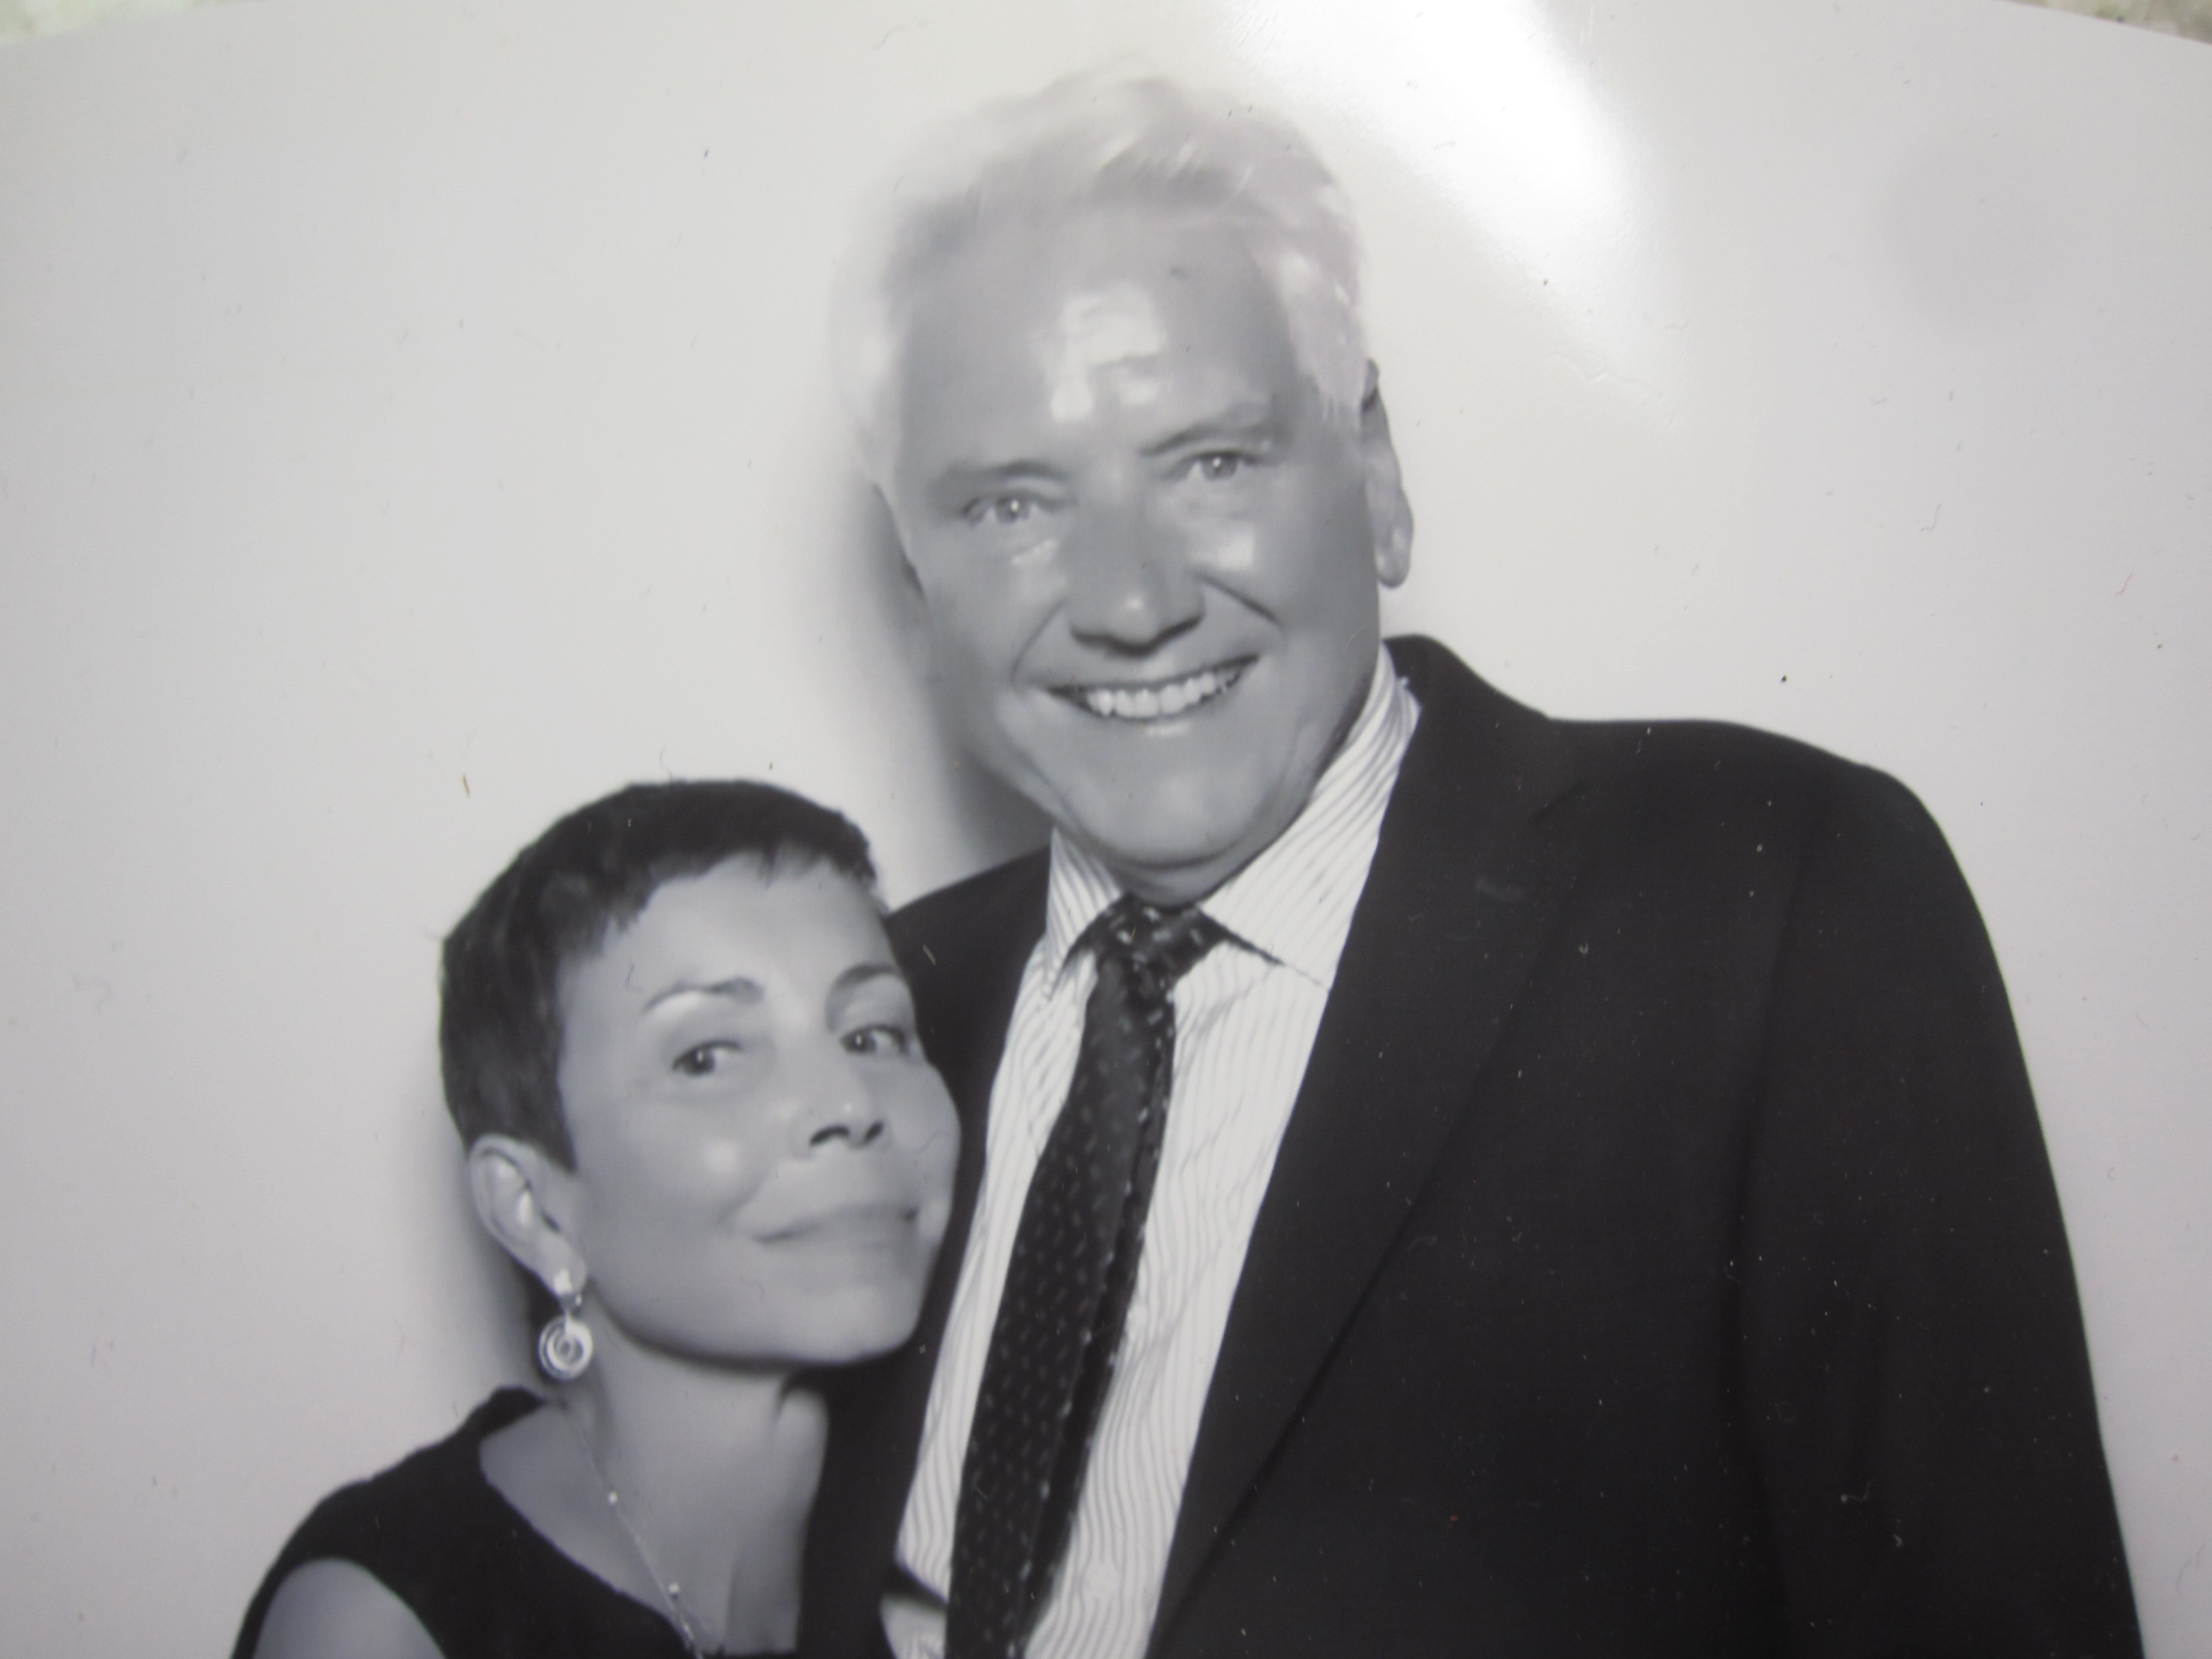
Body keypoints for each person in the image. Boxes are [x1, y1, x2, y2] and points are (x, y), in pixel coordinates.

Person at [798, 70, 2144, 1659]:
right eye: (1014, 503)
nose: (1133, 602)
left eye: (1210, 463)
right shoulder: (871, 1011)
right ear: (916, 587)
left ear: (1373, 473)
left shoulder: (1769, 902)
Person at [232, 781, 960, 1659]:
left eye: (873, 1035)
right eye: (707, 1057)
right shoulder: (380, 1623)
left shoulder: (978, 1532)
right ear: (536, 1211)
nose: (847, 1103)